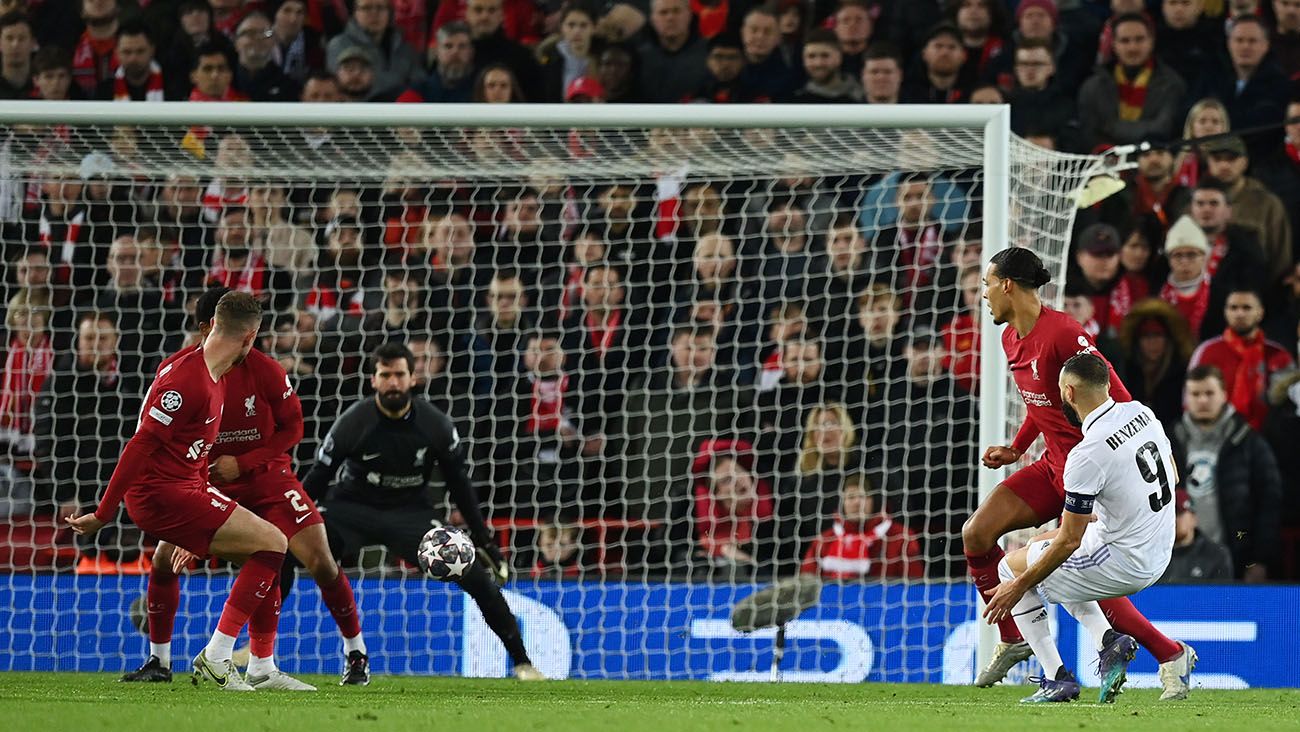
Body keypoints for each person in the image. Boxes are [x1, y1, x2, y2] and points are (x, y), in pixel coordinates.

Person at [969, 247, 1194, 700]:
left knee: (1069, 566)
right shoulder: (1010, 338)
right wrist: (1016, 447)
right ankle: (1015, 638)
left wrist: (1119, 474)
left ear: (1008, 285)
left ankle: (1150, 654)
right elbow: (1046, 403)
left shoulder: (1064, 335)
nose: (984, 296)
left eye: (986, 285)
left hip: (1091, 476)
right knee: (976, 535)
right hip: (1053, 464)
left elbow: (1113, 399)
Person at [120, 287, 364, 688]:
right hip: (208, 484)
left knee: (319, 557)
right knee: (165, 561)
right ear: (207, 328)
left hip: (267, 479)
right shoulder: (182, 375)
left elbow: (295, 428)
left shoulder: (265, 370)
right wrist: (189, 518)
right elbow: (169, 450)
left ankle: (355, 654)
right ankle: (160, 662)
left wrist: (245, 462)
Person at [65, 292, 292, 691]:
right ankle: (219, 657)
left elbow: (189, 450)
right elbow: (140, 445)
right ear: (250, 337)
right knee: (272, 544)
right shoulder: (189, 379)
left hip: (182, 488)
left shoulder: (209, 372)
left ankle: (168, 662)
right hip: (161, 494)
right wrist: (103, 513)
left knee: (170, 560)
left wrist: (199, 522)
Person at [300, 342, 545, 681]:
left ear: (413, 378)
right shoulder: (352, 423)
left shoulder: (436, 425)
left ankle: (522, 662)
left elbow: (460, 486)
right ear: (374, 380)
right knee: (286, 551)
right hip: (351, 508)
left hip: (410, 514)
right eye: (385, 375)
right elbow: (317, 478)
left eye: (399, 374)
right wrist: (289, 522)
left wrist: (485, 541)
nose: (393, 383)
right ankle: (256, 647)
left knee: (474, 573)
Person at [984, 353, 1180, 704]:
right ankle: (1108, 641)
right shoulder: (1141, 413)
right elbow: (1173, 475)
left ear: (1069, 394)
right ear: (1106, 384)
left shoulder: (1086, 454)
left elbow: (1069, 541)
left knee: (1011, 566)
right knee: (1045, 548)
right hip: (1159, 544)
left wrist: (1017, 588)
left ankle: (1056, 678)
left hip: (1127, 562)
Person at [1169, 365, 1283, 580]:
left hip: (1238, 559)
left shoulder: (1249, 442)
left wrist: (1260, 559)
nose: (1202, 400)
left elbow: (1270, 503)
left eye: (1209, 393)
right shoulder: (1168, 442)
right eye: (1195, 394)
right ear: (1186, 397)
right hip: (1174, 563)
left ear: (1224, 395)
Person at [1189, 289, 1294, 431]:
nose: (1239, 314)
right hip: (1218, 433)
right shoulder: (1207, 351)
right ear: (1225, 312)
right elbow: (1190, 398)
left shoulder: (1278, 355)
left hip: (1269, 436)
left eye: (1247, 308)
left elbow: (1291, 403)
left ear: (1260, 312)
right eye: (1233, 308)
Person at [1158, 490, 1235, 583]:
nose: (1173, 519)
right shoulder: (1154, 554)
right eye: (1169, 514)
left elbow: (1221, 595)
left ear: (1194, 518)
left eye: (1179, 513)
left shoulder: (1215, 556)